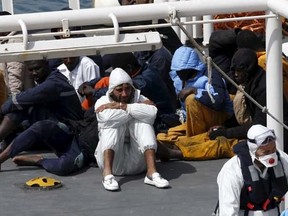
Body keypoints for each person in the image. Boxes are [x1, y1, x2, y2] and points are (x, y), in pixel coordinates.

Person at [94, 67, 169, 191]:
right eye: (119, 90)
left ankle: (151, 173)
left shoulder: (140, 97)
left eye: (127, 89)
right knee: (112, 125)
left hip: (138, 162)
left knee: (143, 123)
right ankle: (107, 175)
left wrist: (122, 106)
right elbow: (106, 119)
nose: (124, 94)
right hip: (114, 164)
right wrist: (137, 109)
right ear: (112, 91)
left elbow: (152, 114)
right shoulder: (102, 102)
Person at [0, 59, 83, 152]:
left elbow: (20, 99)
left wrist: (1, 112)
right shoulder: (49, 78)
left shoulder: (53, 83)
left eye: (37, 68)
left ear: (46, 64)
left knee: (22, 107)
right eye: (30, 70)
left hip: (69, 131)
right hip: (57, 124)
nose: (34, 73)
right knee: (19, 113)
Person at [217, 124, 288, 215]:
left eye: (273, 150)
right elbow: (228, 209)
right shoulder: (232, 169)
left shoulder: (283, 159)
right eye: (266, 152)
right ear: (254, 150)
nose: (271, 156)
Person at [0, 11, 34, 96]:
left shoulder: (15, 41)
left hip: (16, 96)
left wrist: (12, 97)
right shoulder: (6, 41)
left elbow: (15, 71)